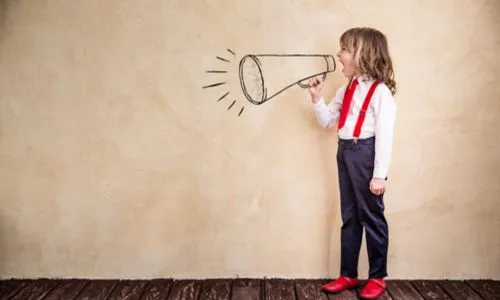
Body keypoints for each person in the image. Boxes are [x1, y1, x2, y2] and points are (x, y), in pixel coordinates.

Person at [307, 27, 397, 299]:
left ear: (363, 55)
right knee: (350, 217)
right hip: (344, 152)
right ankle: (348, 273)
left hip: (365, 154)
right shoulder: (347, 88)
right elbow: (327, 120)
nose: (339, 54)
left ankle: (378, 277)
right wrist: (316, 99)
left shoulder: (380, 92)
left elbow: (385, 136)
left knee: (372, 217)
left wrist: (379, 174)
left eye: (344, 49)